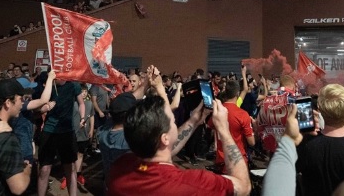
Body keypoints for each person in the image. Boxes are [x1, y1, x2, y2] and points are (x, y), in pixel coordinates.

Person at [107, 65, 251, 195]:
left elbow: (166, 149)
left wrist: (194, 121)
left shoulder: (120, 168)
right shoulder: (192, 183)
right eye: (173, 120)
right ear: (164, 138)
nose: (175, 122)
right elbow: (243, 186)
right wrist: (224, 131)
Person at [37, 79, 85, 196]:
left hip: (67, 131)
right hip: (49, 130)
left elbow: (81, 103)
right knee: (44, 169)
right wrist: (45, 107)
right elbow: (39, 106)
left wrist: (82, 118)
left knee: (70, 168)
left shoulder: (74, 85)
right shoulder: (48, 84)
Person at [208, 80, 255, 173]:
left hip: (221, 160)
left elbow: (210, 125)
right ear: (237, 93)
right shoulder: (242, 114)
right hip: (238, 160)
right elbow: (251, 142)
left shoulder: (218, 111)